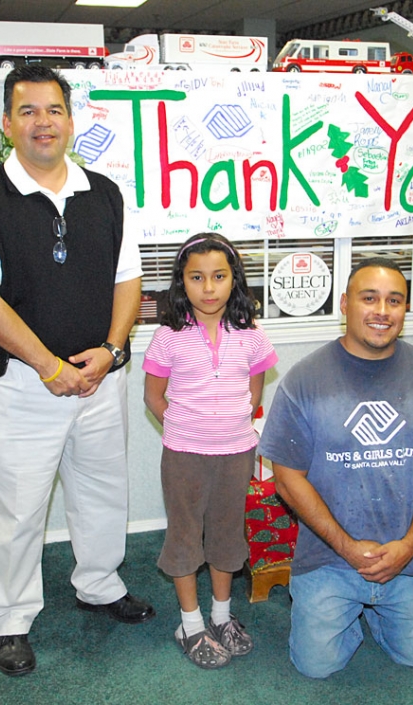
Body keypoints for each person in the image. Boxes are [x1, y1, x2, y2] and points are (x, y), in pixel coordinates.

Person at [0, 65, 154, 676]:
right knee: (14, 508)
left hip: (98, 379)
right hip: (19, 388)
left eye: (54, 110)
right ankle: (9, 618)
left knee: (102, 491)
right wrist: (46, 365)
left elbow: (128, 278)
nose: (44, 122)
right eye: (29, 111)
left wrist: (113, 350)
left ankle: (99, 583)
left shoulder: (107, 194)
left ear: (70, 119)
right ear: (8, 123)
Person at [257, 258, 413, 679]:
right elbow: (286, 477)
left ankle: (377, 614)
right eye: (368, 298)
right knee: (316, 667)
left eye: (394, 301)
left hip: (407, 555)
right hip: (328, 557)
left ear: (406, 310)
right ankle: (348, 616)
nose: (381, 311)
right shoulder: (304, 380)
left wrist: (409, 545)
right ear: (344, 305)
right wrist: (348, 547)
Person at [143, 233, 277, 669]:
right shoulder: (168, 336)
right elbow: (153, 397)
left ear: (233, 280)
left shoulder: (251, 334)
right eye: (197, 278)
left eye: (219, 277)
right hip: (184, 453)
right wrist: (188, 428)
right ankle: (191, 623)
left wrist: (232, 426)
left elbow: (253, 389)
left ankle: (220, 616)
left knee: (226, 533)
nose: (209, 287)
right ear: (182, 283)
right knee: (185, 535)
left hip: (236, 452)